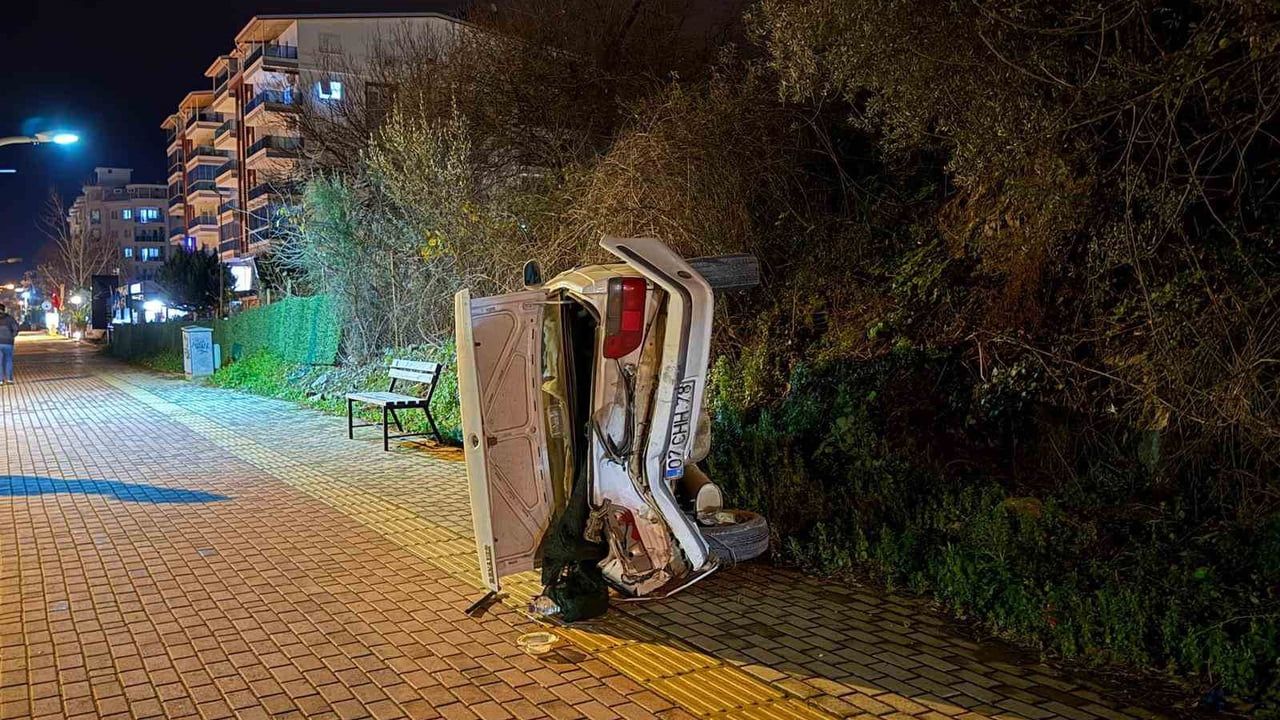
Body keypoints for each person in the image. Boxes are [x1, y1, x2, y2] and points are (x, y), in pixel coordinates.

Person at [0, 303, 18, 385]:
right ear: (4, 310)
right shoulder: (10, 319)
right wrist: (12, 336)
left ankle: (0, 380)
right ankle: (9, 379)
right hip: (8, 343)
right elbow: (16, 329)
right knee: (8, 360)